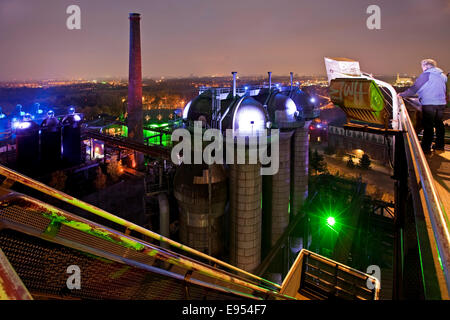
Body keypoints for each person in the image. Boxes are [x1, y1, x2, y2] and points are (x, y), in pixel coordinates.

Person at [398, 59, 447, 154]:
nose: (422, 69)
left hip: (429, 103)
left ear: (425, 66)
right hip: (441, 103)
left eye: (422, 67)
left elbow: (415, 88)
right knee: (439, 124)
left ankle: (425, 147)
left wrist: (402, 94)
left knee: (428, 125)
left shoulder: (426, 75)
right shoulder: (442, 75)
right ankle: (440, 145)